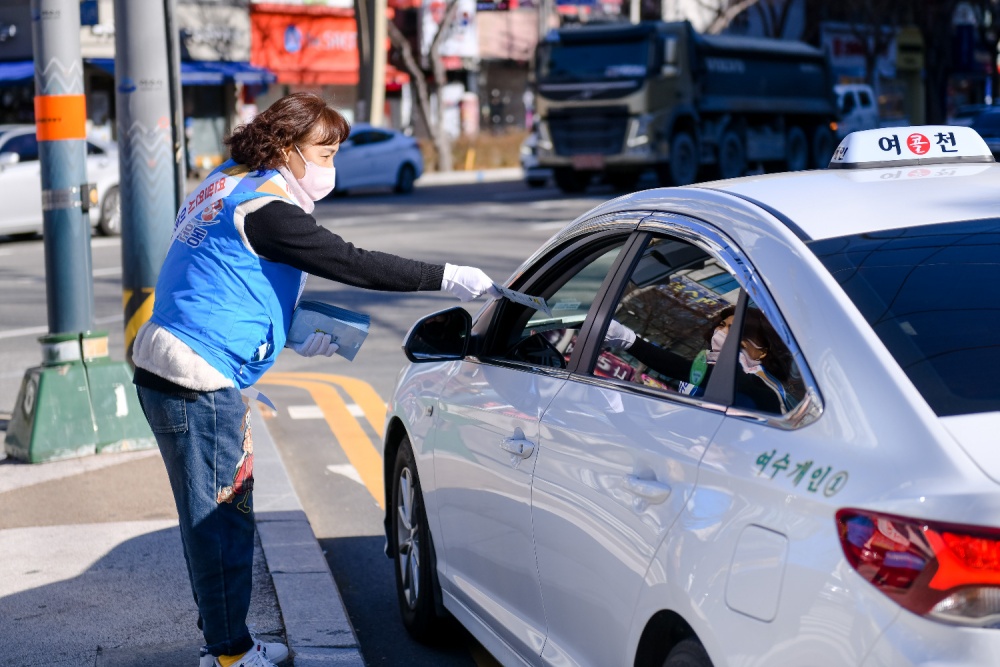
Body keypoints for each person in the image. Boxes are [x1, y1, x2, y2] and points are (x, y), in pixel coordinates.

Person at [131, 93, 498, 667]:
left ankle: (224, 644)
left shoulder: (228, 182)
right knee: (221, 520)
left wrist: (289, 329)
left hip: (174, 364)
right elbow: (352, 262)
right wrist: (447, 276)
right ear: (285, 148)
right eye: (324, 153)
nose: (331, 165)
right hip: (196, 376)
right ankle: (229, 655)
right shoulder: (269, 211)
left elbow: (225, 276)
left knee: (210, 516)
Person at [604, 305, 789, 414]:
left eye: (735, 331)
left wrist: (629, 341)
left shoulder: (759, 386)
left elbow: (681, 369)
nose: (721, 332)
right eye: (722, 325)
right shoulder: (708, 363)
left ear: (762, 352)